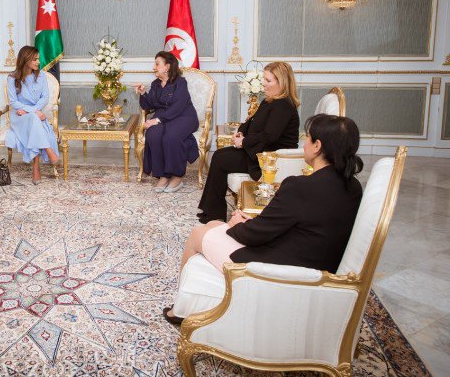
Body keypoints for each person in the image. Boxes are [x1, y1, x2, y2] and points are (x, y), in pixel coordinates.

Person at [162, 114, 364, 325]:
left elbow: (254, 235)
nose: (304, 143)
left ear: (317, 146)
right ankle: (191, 299)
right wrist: (246, 223)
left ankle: (180, 310)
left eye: (308, 138)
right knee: (214, 224)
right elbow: (302, 224)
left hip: (278, 271)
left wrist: (237, 224)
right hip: (313, 265)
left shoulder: (301, 187)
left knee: (198, 233)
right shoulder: (353, 187)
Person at [197, 61, 300, 223]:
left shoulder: (284, 106)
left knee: (221, 158)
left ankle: (214, 213)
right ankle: (212, 211)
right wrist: (241, 132)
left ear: (282, 82)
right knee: (219, 155)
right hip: (258, 149)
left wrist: (244, 142)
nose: (263, 84)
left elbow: (270, 136)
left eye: (268, 80)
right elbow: (251, 121)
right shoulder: (269, 101)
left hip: (269, 157)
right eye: (264, 79)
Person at [134, 51, 200, 193]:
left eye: (157, 64)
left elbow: (178, 106)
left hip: (184, 117)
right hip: (165, 118)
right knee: (153, 134)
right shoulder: (156, 84)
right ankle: (163, 175)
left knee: (171, 136)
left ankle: (177, 176)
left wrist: (156, 120)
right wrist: (143, 93)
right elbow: (149, 106)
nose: (154, 67)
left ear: (167, 67)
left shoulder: (180, 82)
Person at [5, 46, 60, 185]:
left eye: (38, 59)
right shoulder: (12, 78)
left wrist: (32, 111)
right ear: (26, 60)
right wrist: (33, 112)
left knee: (34, 119)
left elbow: (45, 97)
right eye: (35, 59)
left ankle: (36, 168)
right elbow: (13, 102)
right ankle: (48, 150)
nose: (38, 62)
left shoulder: (41, 76)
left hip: (32, 114)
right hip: (19, 117)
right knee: (35, 118)